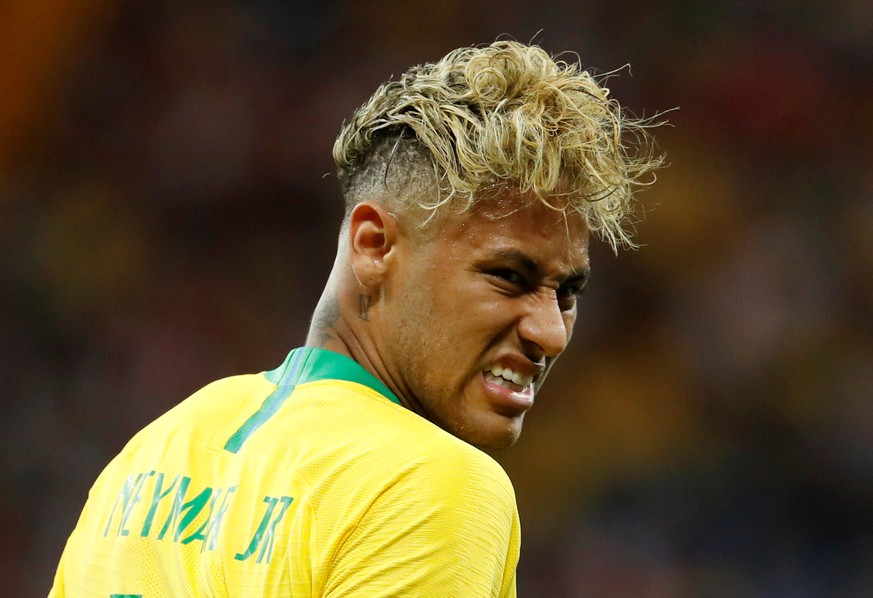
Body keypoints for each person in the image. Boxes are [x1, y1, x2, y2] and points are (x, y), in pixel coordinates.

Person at [50, 40, 662, 596]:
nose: (550, 332)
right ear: (374, 245)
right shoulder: (434, 488)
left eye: (567, 293)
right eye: (509, 276)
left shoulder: (152, 453)